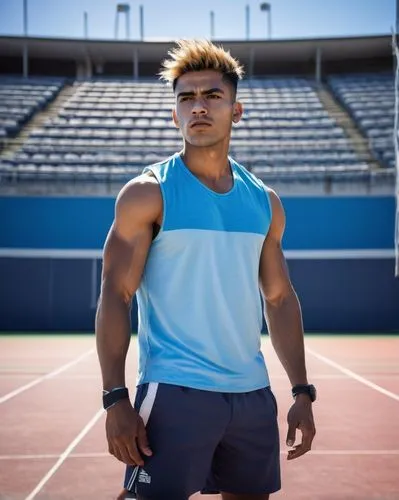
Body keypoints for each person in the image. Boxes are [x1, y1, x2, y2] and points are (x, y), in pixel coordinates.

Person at [96, 39, 316, 500]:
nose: (198, 107)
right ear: (174, 114)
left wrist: (300, 390)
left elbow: (278, 298)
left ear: (236, 110)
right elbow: (116, 295)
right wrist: (115, 397)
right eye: (186, 98)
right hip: (176, 389)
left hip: (252, 393)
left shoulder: (264, 202)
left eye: (212, 96)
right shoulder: (148, 193)